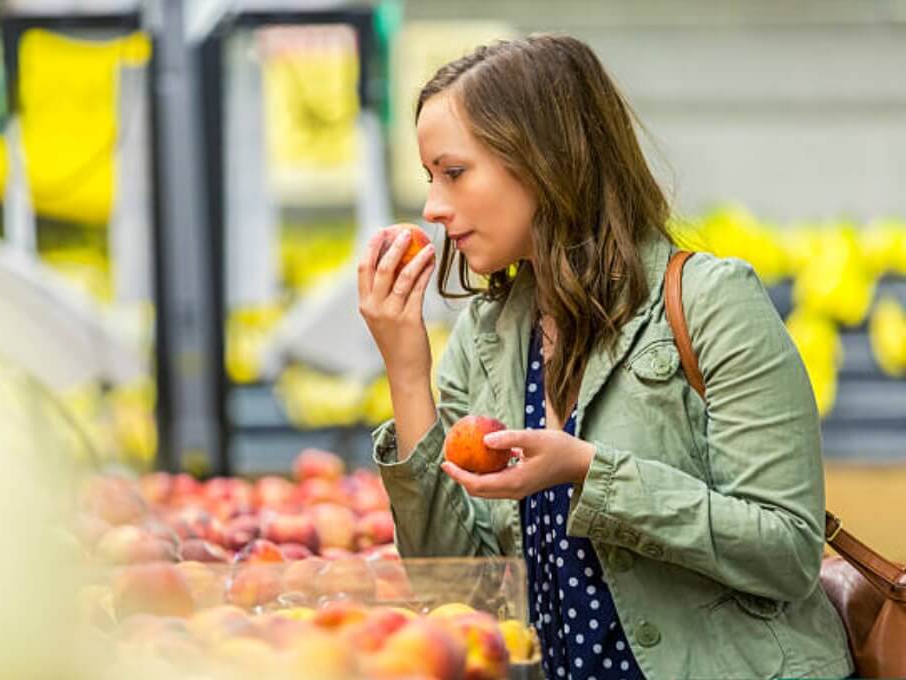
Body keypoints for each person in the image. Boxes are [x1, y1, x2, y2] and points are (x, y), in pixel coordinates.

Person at [357, 34, 852, 680]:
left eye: (453, 172)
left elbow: (787, 551)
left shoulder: (711, 303)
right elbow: (460, 597)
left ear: (543, 160)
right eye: (430, 178)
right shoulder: (488, 337)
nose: (432, 207)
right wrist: (407, 372)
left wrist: (591, 474)